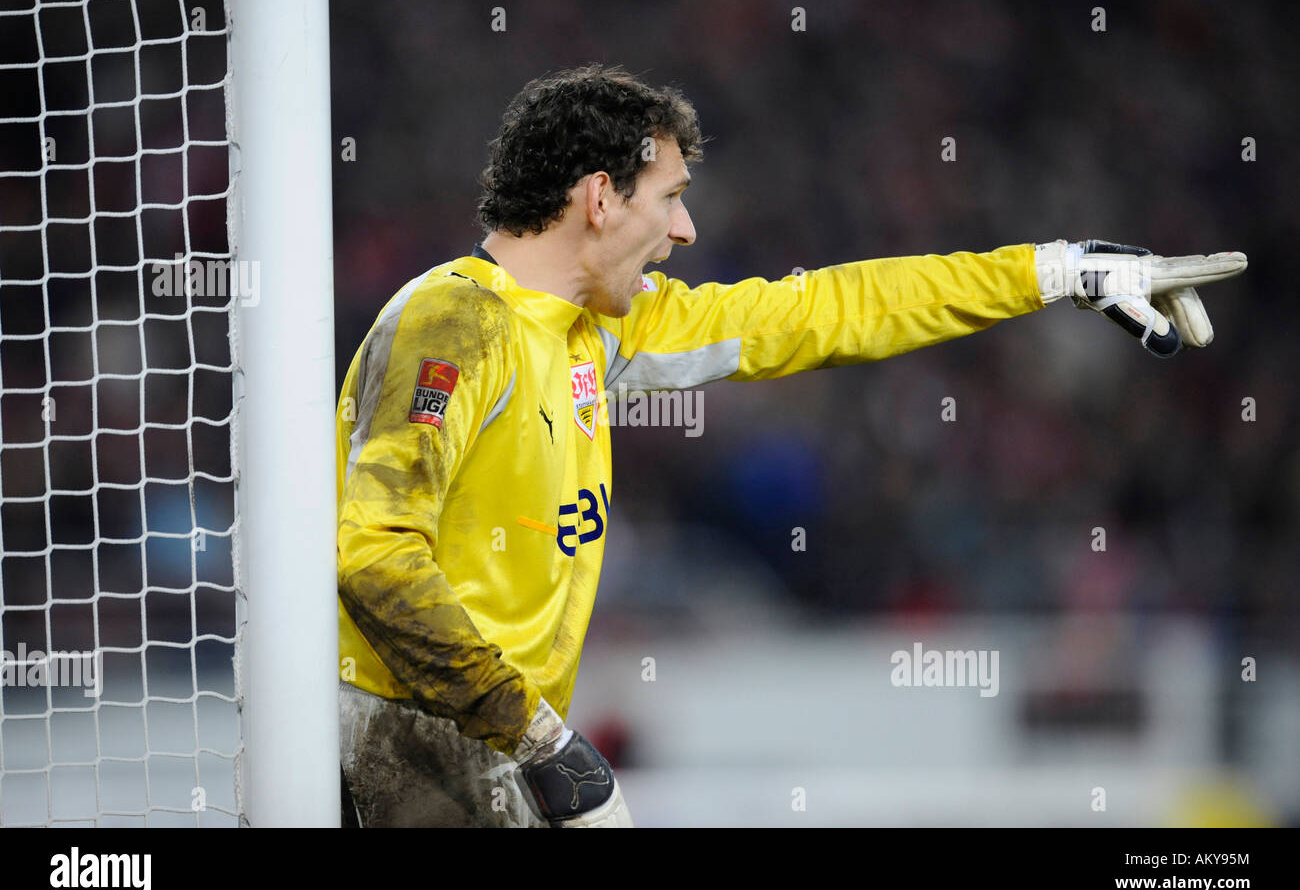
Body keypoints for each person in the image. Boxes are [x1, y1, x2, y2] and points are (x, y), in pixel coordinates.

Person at [334, 63, 1246, 828]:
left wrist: (1050, 271)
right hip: (402, 747)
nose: (686, 231)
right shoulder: (455, 323)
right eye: (673, 199)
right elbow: (374, 558)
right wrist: (536, 735)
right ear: (600, 198)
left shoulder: (597, 332)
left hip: (490, 748)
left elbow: (826, 309)